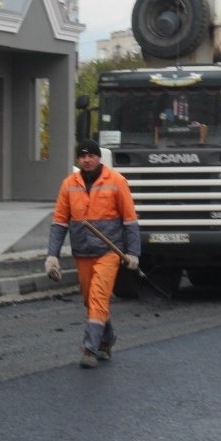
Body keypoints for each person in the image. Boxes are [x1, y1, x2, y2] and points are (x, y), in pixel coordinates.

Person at [45, 139, 141, 368]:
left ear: (99, 157)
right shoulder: (69, 184)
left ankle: (90, 349)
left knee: (99, 296)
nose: (87, 160)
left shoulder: (116, 181)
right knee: (90, 300)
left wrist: (133, 252)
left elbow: (129, 220)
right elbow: (59, 222)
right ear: (78, 159)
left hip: (109, 251)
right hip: (82, 252)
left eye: (91, 156)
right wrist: (52, 255)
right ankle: (107, 339)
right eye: (82, 156)